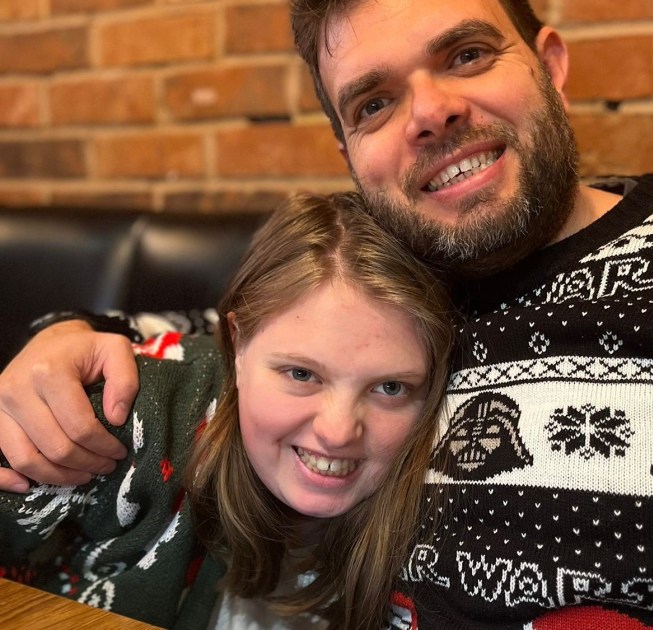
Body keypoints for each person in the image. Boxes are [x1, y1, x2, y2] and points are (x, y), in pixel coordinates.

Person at [1, 0, 653, 628]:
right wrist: (67, 337)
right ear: (350, 154)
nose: (432, 111)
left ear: (551, 68)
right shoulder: (387, 290)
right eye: (374, 102)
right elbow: (218, 339)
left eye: (466, 55)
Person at [0, 191, 453, 629]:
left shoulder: (460, 484)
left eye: (390, 388)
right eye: (301, 374)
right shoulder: (135, 419)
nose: (337, 432)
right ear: (237, 343)